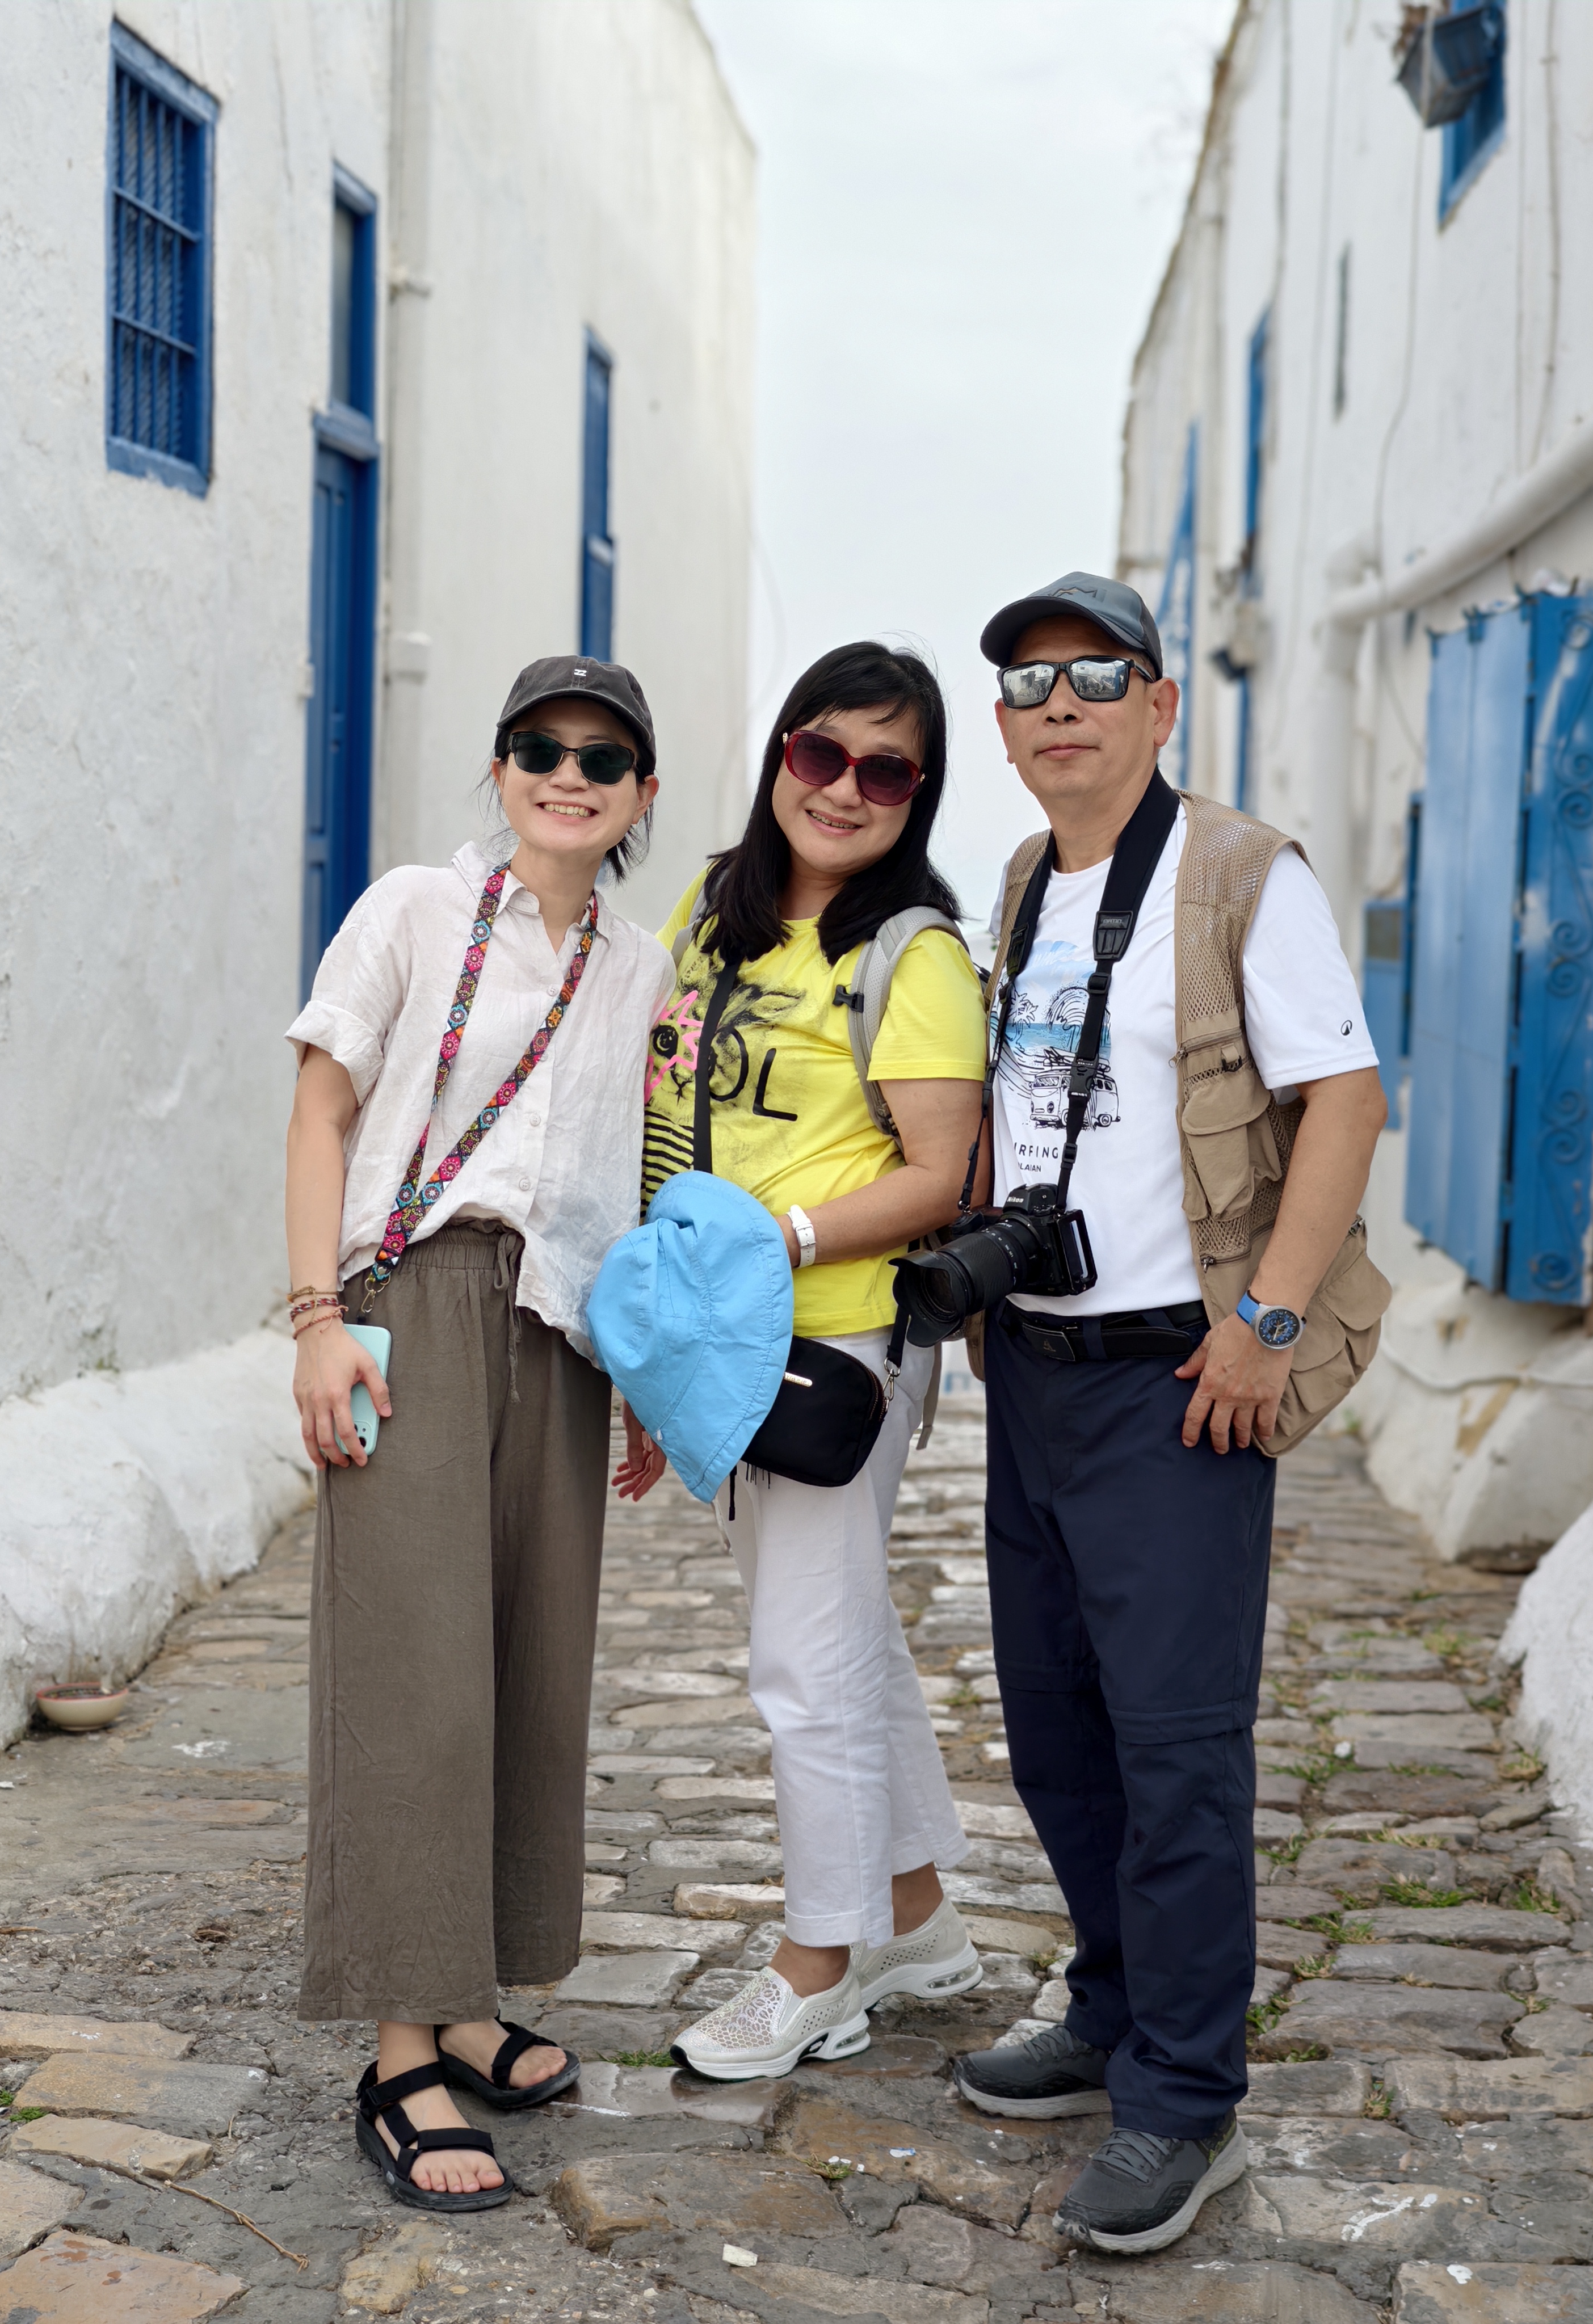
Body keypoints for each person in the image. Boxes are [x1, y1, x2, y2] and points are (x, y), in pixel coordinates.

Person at [948, 574, 1389, 2253]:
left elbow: (1343, 1097)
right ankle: (1115, 2009)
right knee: (1057, 1731)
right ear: (1005, 730)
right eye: (1026, 682)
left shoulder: (1242, 874)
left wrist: (1264, 1323)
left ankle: (1186, 2098)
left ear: (1160, 702)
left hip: (1179, 1382)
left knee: (1177, 1749)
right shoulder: (1023, 881)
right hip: (1037, 1371)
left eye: (1093, 673)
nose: (1057, 703)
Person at [284, 655, 673, 2211]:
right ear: (503, 766)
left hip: (559, 1329)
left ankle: (467, 1997)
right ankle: (400, 2054)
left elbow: (617, 1176)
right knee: (414, 1671)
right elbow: (321, 1110)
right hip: (417, 1297)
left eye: (602, 757)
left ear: (641, 793)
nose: (568, 775)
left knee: (525, 1668)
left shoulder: (639, 965)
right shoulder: (412, 910)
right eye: (540, 747)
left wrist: (637, 1369)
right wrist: (314, 1317)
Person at [615, 641, 989, 2080]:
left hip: (829, 1344)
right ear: (783, 754)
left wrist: (783, 1235)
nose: (844, 789)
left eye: (885, 770)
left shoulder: (914, 956)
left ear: (917, 793)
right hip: (713, 1331)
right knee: (846, 1635)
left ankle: (820, 1962)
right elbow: (660, 1118)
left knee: (803, 1659)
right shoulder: (714, 916)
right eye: (821, 753)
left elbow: (942, 1175)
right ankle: (916, 1917)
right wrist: (659, 1346)